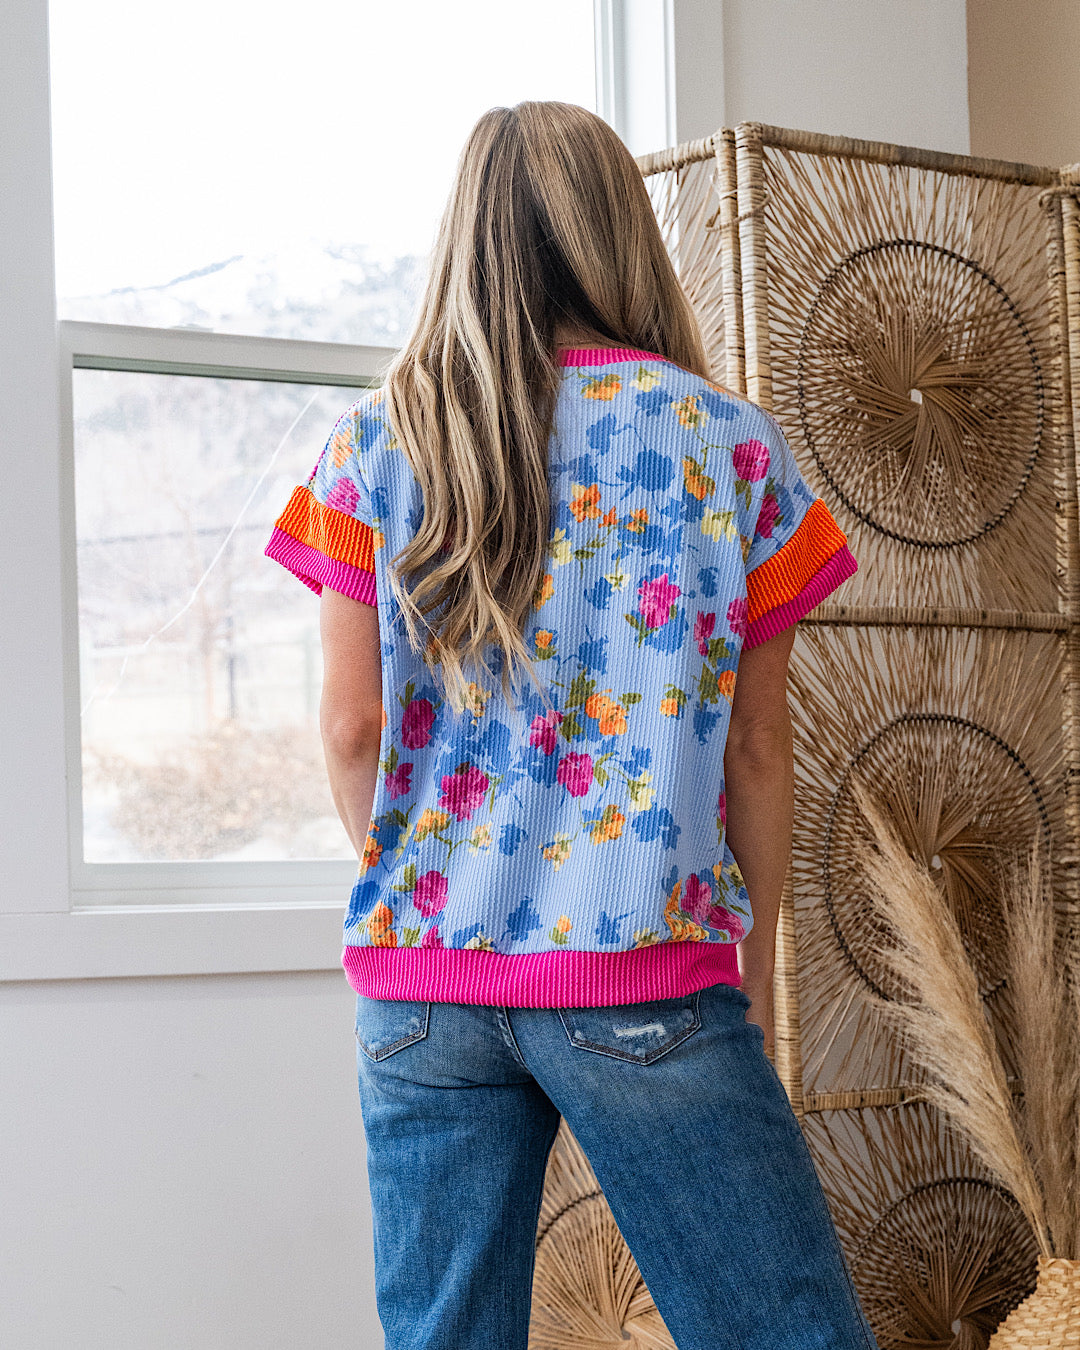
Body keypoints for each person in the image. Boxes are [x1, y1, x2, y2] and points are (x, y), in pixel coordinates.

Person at [265, 100, 875, 1350]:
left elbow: (350, 726)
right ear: (619, 234)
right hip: (643, 965)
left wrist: (428, 880)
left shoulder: (377, 443)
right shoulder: (727, 447)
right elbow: (757, 752)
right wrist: (751, 967)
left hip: (421, 988)